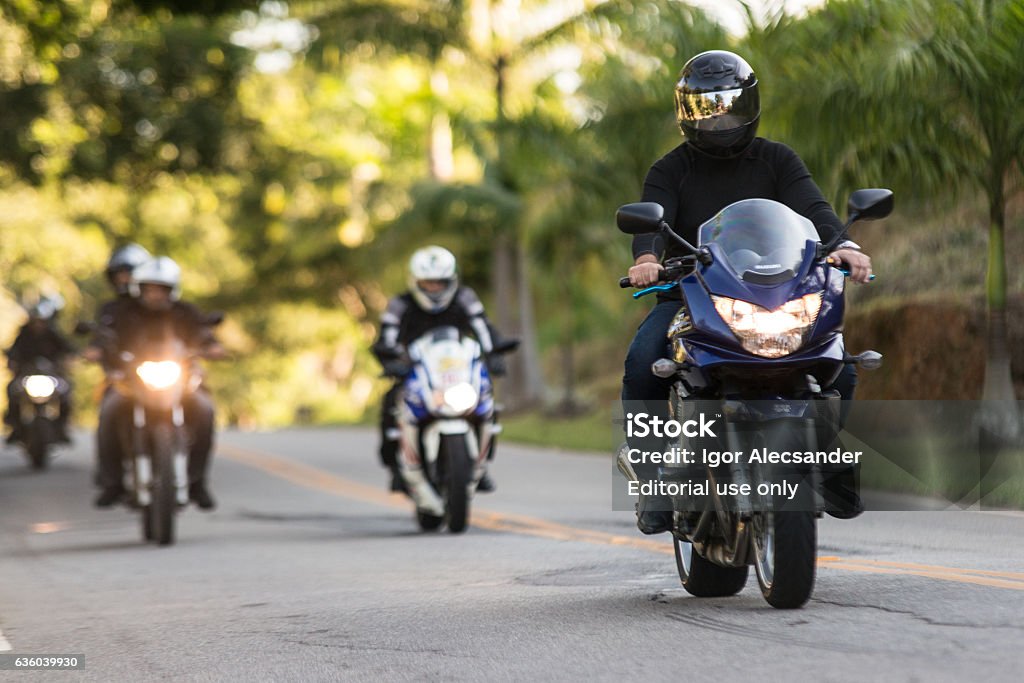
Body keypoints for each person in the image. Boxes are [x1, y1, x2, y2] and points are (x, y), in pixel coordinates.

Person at [623, 50, 872, 534]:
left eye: (729, 105)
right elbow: (651, 218)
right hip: (691, 295)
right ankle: (654, 481)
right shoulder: (670, 169)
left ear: (750, 104)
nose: (719, 118)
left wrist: (844, 244)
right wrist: (647, 260)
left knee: (837, 363)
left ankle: (826, 456)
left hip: (777, 294)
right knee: (641, 362)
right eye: (705, 108)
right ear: (686, 113)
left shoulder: (777, 159)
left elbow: (813, 207)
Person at [85, 256, 225, 510]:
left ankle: (197, 482)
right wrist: (95, 350)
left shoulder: (185, 312)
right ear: (139, 288)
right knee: (109, 410)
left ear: (172, 290)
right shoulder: (122, 312)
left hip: (179, 381)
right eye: (149, 288)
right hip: (131, 381)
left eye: (161, 289)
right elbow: (104, 336)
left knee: (205, 410)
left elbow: (204, 333)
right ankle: (112, 483)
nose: (155, 295)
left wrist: (213, 347)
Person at [372, 245, 503, 494]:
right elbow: (387, 338)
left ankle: (479, 467)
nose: (434, 289)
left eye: (440, 283)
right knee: (390, 403)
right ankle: (396, 469)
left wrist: (494, 353)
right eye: (428, 283)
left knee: (487, 403)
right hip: (414, 371)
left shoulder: (464, 298)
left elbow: (484, 328)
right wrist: (390, 360)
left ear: (450, 281)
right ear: (416, 281)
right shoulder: (400, 305)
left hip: (456, 372)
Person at [4, 297, 74, 444]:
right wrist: (12, 362)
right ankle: (14, 426)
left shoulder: (53, 334)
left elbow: (68, 349)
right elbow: (13, 351)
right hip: (27, 376)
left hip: (51, 376)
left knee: (67, 391)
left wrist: (68, 361)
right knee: (12, 389)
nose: (38, 324)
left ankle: (62, 426)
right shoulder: (24, 335)